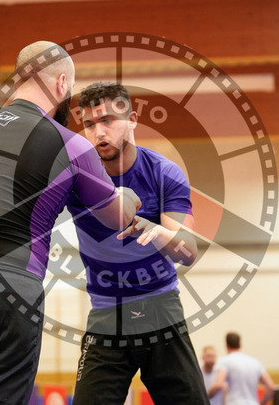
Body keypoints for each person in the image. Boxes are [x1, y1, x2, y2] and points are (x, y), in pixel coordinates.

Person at [0, 43, 141, 404]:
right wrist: (128, 192)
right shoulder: (71, 145)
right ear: (61, 83)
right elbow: (118, 218)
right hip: (6, 287)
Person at [68, 82, 208, 404]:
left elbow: (189, 251)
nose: (98, 132)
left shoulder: (163, 173)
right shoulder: (76, 178)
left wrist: (157, 232)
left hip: (161, 310)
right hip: (107, 315)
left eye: (107, 121)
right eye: (89, 124)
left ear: (132, 120)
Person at [209, 332, 275, 405]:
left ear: (226, 346)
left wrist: (206, 396)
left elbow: (218, 385)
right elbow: (271, 387)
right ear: (240, 345)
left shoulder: (225, 361)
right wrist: (263, 403)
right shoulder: (255, 362)